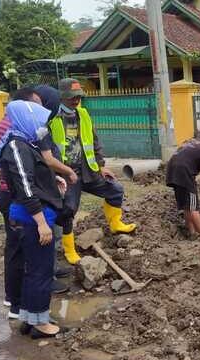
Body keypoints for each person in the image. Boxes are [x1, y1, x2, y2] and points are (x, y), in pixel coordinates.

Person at [0, 88, 75, 316]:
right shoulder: (16, 140)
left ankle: (27, 310)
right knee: (29, 258)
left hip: (26, 200)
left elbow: (32, 170)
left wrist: (51, 178)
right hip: (23, 202)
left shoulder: (24, 136)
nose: (42, 114)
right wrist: (40, 221)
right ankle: (23, 307)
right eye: (36, 108)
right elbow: (24, 182)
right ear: (25, 109)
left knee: (33, 258)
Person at [48, 78, 136, 265]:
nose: (76, 100)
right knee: (68, 209)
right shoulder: (52, 118)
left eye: (79, 96)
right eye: (72, 97)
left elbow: (94, 142)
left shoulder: (83, 114)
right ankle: (69, 249)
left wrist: (101, 165)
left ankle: (115, 224)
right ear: (62, 97)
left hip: (88, 169)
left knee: (115, 189)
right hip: (66, 173)